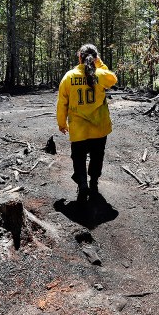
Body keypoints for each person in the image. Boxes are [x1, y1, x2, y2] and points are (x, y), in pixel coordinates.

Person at [57, 44, 118, 203]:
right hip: (99, 127)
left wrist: (61, 123)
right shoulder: (101, 74)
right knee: (97, 156)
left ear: (79, 57)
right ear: (95, 58)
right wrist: (99, 63)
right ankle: (94, 182)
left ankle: (82, 183)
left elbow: (62, 102)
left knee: (78, 157)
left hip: (78, 129)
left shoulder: (69, 76)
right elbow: (113, 78)